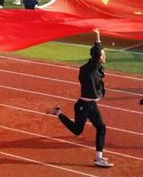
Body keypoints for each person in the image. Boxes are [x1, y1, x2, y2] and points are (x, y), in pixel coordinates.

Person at [48, 29, 113, 168]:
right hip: (83, 106)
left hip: (91, 105)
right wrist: (97, 36)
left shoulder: (94, 68)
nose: (104, 56)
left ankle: (98, 158)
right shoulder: (89, 68)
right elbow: (97, 53)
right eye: (103, 54)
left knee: (101, 128)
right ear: (97, 57)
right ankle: (58, 113)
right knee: (77, 131)